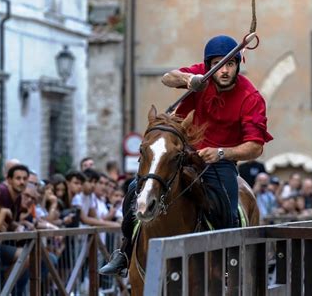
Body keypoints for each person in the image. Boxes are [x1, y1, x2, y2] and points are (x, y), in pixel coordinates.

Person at [99, 34, 273, 277]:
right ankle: (125, 251)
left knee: (226, 206)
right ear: (209, 64)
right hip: (182, 151)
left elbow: (255, 146)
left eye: (230, 64)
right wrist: (189, 79)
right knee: (135, 189)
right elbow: (166, 77)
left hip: (218, 161)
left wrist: (222, 152)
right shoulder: (202, 74)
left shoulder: (251, 97)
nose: (223, 71)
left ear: (238, 65)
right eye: (217, 64)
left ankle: (227, 263)